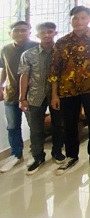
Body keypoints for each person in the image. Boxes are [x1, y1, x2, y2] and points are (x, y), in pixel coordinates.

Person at [50, 6, 90, 175]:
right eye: (75, 18)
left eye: (83, 18)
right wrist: (55, 94)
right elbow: (55, 70)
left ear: (89, 19)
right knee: (69, 123)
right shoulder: (62, 42)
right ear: (71, 20)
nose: (79, 21)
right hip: (67, 89)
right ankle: (71, 156)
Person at [18, 22, 65, 175]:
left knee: (58, 125)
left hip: (57, 95)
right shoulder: (28, 54)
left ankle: (57, 152)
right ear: (37, 35)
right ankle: (37, 157)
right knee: (35, 128)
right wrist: (22, 98)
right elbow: (24, 76)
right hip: (35, 96)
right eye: (42, 33)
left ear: (55, 33)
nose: (46, 35)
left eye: (49, 32)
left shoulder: (61, 53)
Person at [0, 21, 40, 173]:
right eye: (16, 30)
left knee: (34, 125)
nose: (20, 33)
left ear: (29, 32)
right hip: (11, 93)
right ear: (10, 33)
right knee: (12, 126)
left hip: (32, 94)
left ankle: (35, 153)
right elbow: (5, 69)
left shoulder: (37, 47)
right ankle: (16, 154)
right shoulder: (5, 49)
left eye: (24, 30)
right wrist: (1, 85)